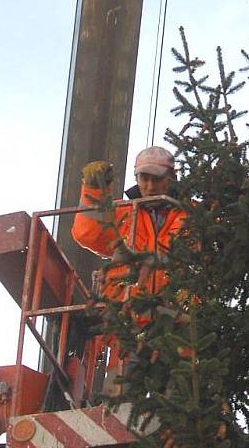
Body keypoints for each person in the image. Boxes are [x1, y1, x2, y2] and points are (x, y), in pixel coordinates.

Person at [72, 145, 187, 393]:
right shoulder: (123, 212)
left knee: (178, 407)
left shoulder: (192, 214)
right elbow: (86, 233)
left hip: (180, 323)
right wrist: (94, 189)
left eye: (156, 179)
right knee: (118, 407)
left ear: (172, 178)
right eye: (143, 178)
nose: (149, 185)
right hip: (128, 323)